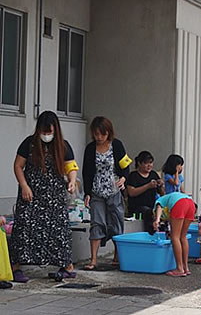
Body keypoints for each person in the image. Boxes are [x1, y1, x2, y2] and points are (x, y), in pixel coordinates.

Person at [10, 111, 79, 282]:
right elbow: (18, 166)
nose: (46, 135)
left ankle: (67, 266)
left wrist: (71, 181)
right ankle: (15, 267)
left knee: (59, 230)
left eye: (50, 132)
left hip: (54, 196)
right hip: (31, 195)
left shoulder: (63, 146)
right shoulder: (29, 143)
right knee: (23, 228)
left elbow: (71, 167)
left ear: (55, 130)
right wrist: (24, 186)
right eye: (44, 132)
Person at [82, 116, 131, 270]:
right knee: (97, 222)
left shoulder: (117, 145)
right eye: (96, 134)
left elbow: (126, 166)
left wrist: (124, 178)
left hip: (114, 189)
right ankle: (94, 259)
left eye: (102, 134)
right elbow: (86, 172)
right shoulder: (90, 148)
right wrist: (87, 192)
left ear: (108, 133)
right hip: (96, 191)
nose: (99, 138)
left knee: (117, 222)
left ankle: (117, 256)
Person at [151, 191, 196, 276]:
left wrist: (157, 220)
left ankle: (179, 268)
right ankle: (185, 267)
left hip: (179, 204)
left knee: (175, 237)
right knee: (183, 237)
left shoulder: (159, 200)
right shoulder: (170, 199)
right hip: (191, 203)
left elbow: (159, 207)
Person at [126, 151, 164, 218]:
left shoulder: (153, 174)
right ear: (139, 163)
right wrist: (148, 186)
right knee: (148, 212)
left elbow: (162, 193)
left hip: (152, 206)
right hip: (137, 208)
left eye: (151, 163)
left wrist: (161, 185)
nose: (149, 165)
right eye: (146, 163)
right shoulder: (133, 175)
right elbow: (131, 192)